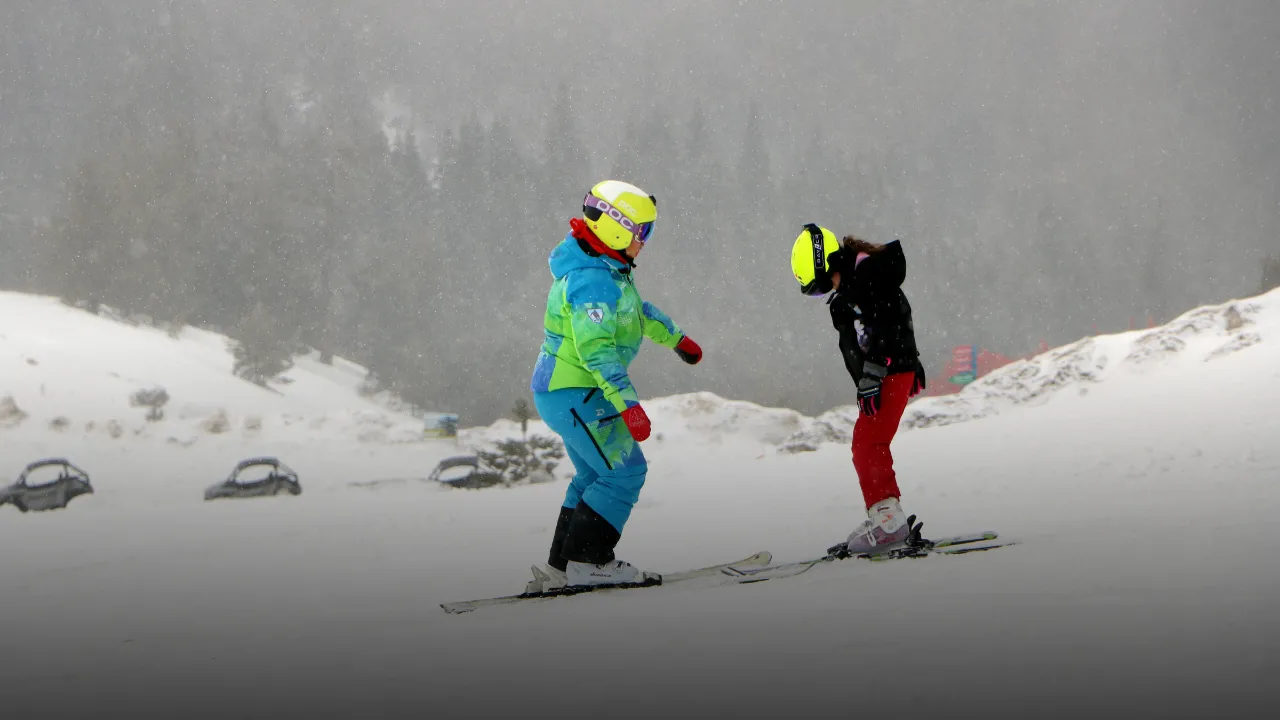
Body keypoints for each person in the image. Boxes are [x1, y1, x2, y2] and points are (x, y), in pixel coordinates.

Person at [526, 180, 703, 591]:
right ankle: (591, 562)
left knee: (593, 474)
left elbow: (636, 313)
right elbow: (598, 353)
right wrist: (629, 406)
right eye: (642, 232)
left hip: (565, 392)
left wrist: (676, 339)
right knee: (625, 472)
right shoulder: (592, 282)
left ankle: (563, 566)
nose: (645, 242)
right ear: (617, 230)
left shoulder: (606, 271)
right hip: (576, 391)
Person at [790, 224, 926, 554]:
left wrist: (876, 373)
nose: (826, 295)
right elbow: (891, 320)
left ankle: (889, 524)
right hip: (889, 371)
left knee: (868, 444)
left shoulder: (869, 274)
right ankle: (884, 516)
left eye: (821, 288)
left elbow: (888, 320)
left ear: (829, 268)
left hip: (889, 372)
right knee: (868, 443)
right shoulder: (854, 285)